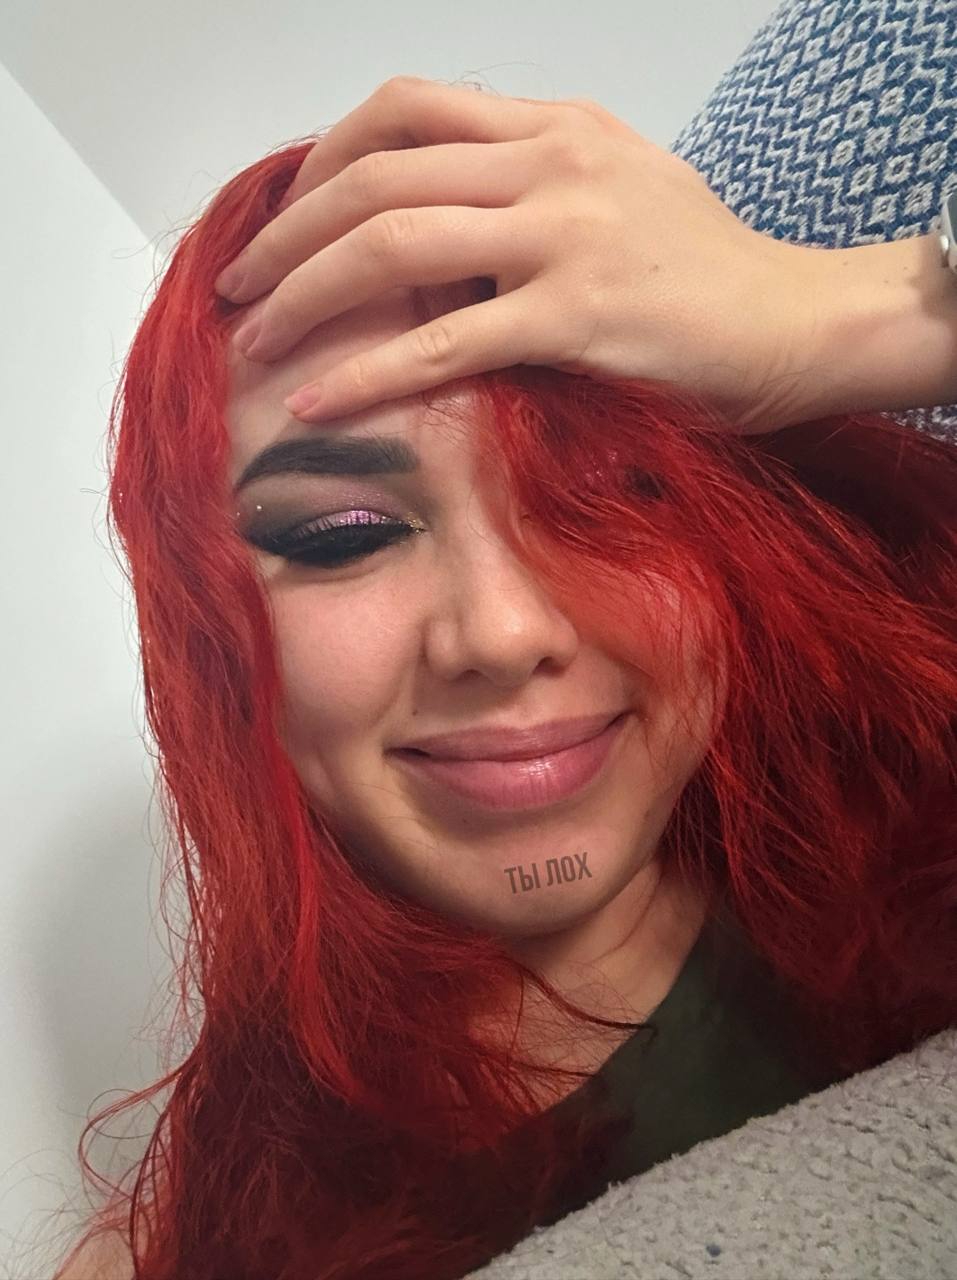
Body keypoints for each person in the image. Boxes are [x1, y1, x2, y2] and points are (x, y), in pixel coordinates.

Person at [55, 20, 957, 1280]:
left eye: (618, 494)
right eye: (342, 533)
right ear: (207, 629)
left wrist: (868, 315)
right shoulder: (193, 1248)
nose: (506, 629)